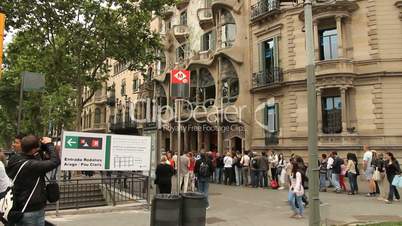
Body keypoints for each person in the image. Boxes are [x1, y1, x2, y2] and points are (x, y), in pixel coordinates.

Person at [6, 135, 60, 226]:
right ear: (34, 150)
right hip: (31, 210)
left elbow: (34, 155)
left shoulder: (14, 159)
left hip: (18, 207)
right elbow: (55, 161)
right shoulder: (32, 165)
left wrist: (41, 147)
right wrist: (49, 145)